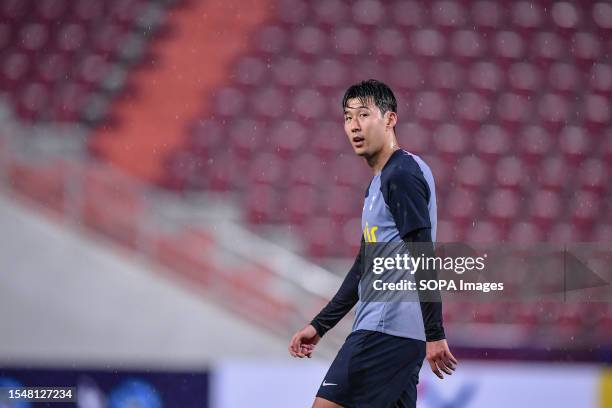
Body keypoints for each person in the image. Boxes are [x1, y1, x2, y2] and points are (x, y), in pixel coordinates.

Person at [288, 79, 457, 408]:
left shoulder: (401, 175)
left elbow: (423, 255)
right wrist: (320, 325)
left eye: (364, 115)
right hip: (397, 335)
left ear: (390, 119)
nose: (354, 126)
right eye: (348, 117)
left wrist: (435, 333)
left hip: (384, 330)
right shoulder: (382, 182)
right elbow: (365, 265)